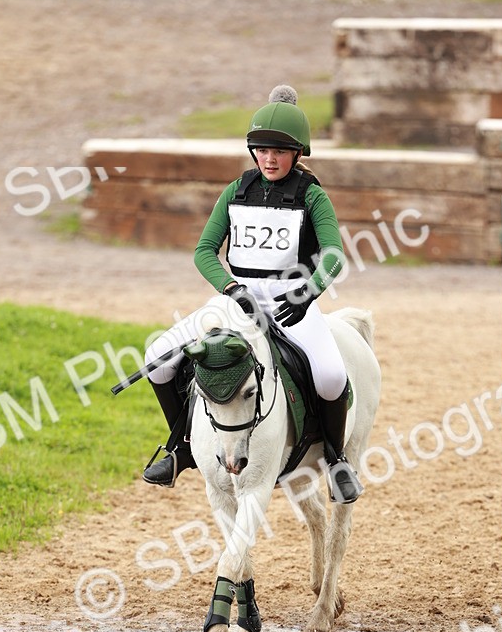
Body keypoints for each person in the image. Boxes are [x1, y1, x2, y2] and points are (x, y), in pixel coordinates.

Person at [142, 84, 362, 503]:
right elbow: (204, 251)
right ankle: (181, 447)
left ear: (298, 154)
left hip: (289, 303)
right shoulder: (235, 191)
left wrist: (309, 291)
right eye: (261, 150)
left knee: (332, 376)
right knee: (157, 359)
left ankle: (335, 459)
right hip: (234, 300)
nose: (269, 158)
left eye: (279, 151)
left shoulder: (312, 196)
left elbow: (333, 253)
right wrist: (230, 287)